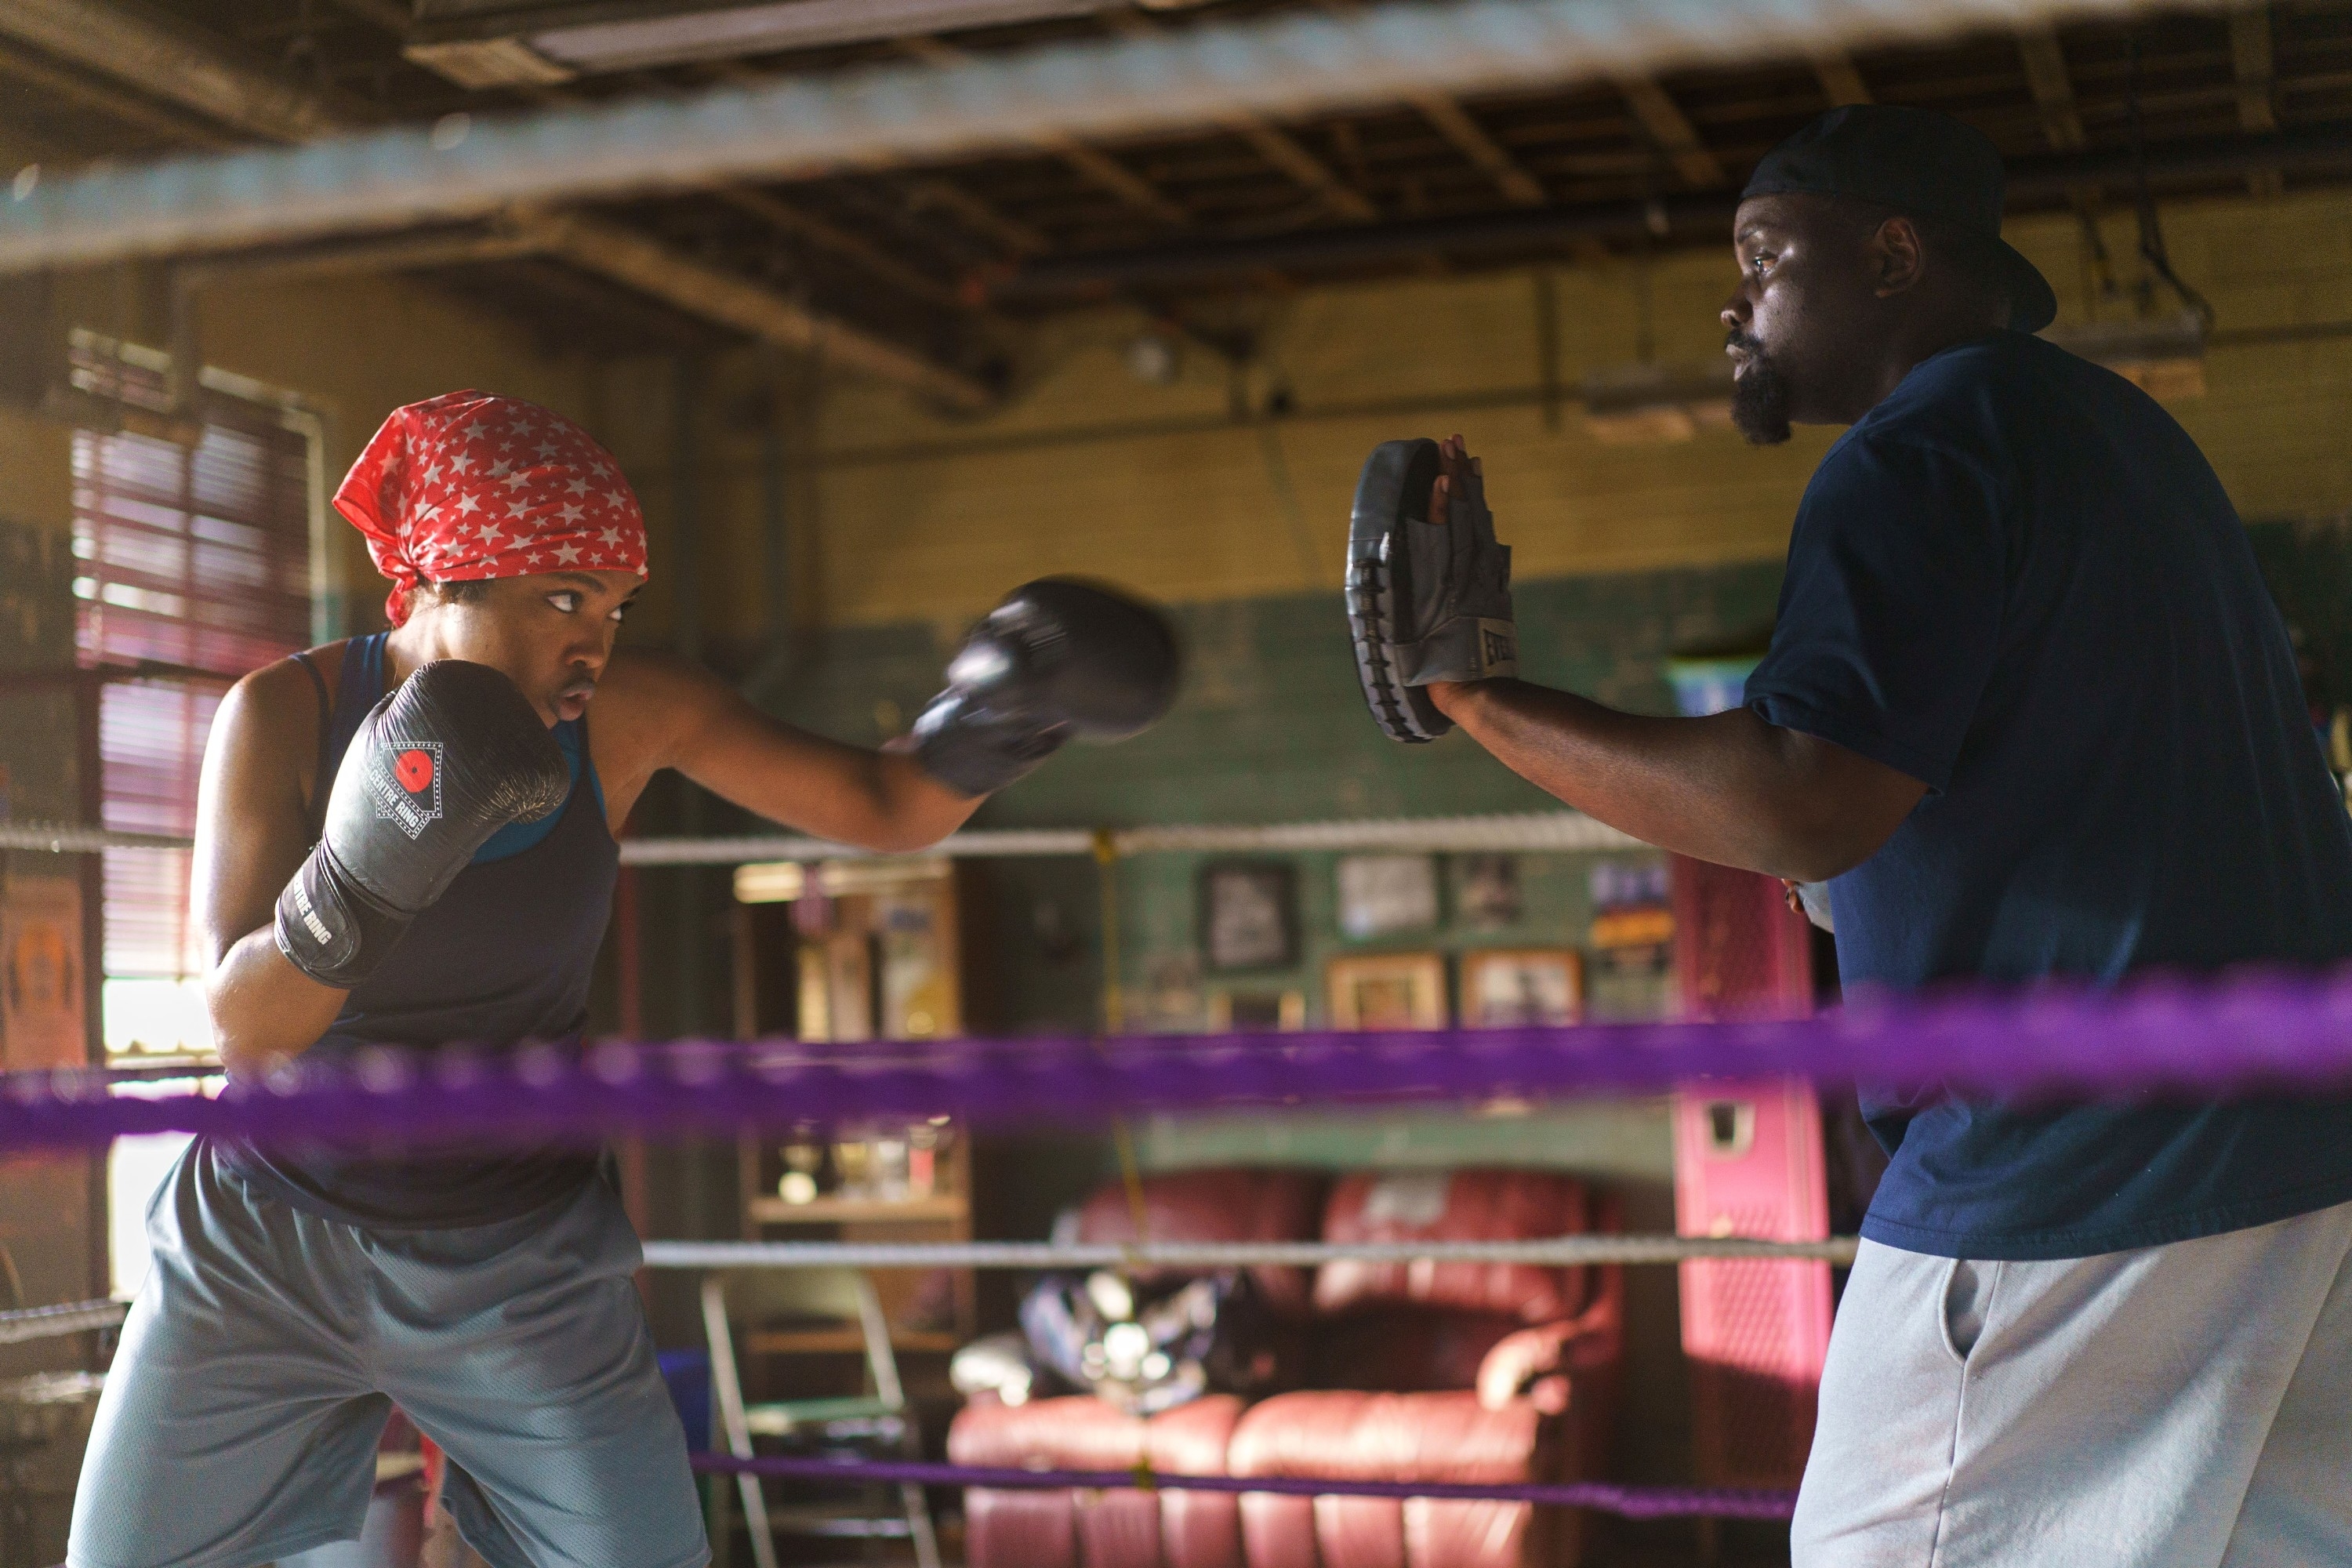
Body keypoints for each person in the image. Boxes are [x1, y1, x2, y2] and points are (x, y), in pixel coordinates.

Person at [1347, 106, 2352, 1564]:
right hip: (2299, 1161)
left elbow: (1796, 794)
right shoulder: (2125, 442)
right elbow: (2021, 801)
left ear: (1891, 255)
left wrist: (1478, 697)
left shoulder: (1921, 451)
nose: (1735, 297)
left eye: (1765, 253)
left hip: (2076, 1172)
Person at [68, 390, 1178, 1568]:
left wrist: (991, 721)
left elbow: (886, 804)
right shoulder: (286, 715)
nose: (591, 640)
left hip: (513, 1255)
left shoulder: (626, 717)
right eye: (559, 601)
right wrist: (363, 871)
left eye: (610, 605)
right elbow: (247, 1030)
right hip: (263, 1242)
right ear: (445, 580)